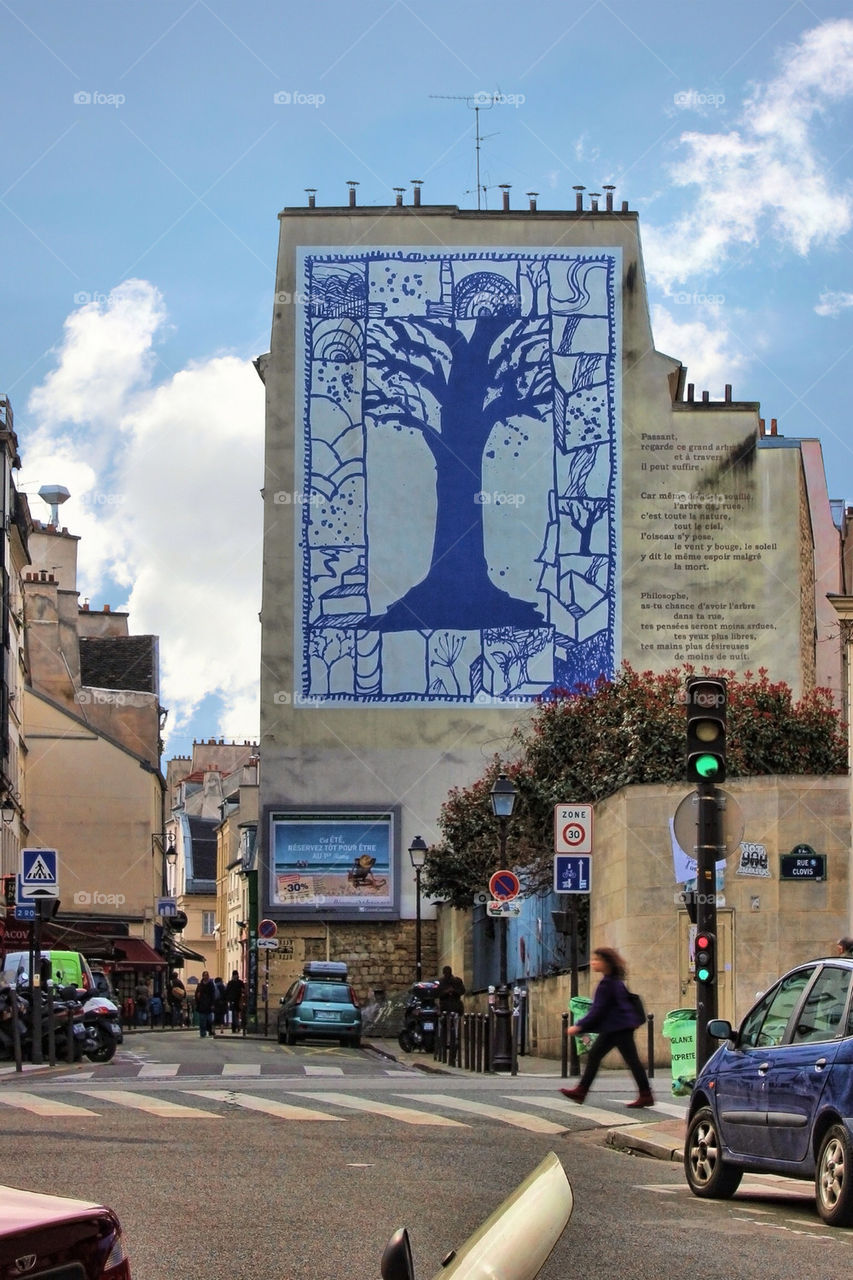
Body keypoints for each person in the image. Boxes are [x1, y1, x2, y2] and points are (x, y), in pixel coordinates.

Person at [560, 946, 654, 1108]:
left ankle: (645, 1095)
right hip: (617, 1027)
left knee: (626, 1060)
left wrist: (579, 1027)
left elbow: (597, 1010)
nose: (593, 962)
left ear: (606, 963)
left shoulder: (608, 984)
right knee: (602, 1056)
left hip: (618, 1028)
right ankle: (581, 1091)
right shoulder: (613, 982)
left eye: (597, 960)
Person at [195, 971, 216, 1038]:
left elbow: (213, 995)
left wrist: (213, 1004)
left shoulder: (211, 984)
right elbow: (197, 994)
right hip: (202, 1005)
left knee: (209, 1020)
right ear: (203, 976)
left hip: (209, 1005)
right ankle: (202, 1033)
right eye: (205, 975)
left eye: (207, 975)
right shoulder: (200, 985)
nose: (206, 977)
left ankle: (210, 1031)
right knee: (202, 1020)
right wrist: (197, 998)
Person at [225, 969, 245, 1034]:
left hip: (238, 1000)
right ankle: (235, 1027)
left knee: (237, 1014)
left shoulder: (239, 982)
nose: (235, 976)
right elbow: (227, 992)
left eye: (236, 975)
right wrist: (228, 999)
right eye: (234, 975)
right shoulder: (231, 983)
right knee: (234, 1014)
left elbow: (243, 990)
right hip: (233, 1000)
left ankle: (237, 1026)